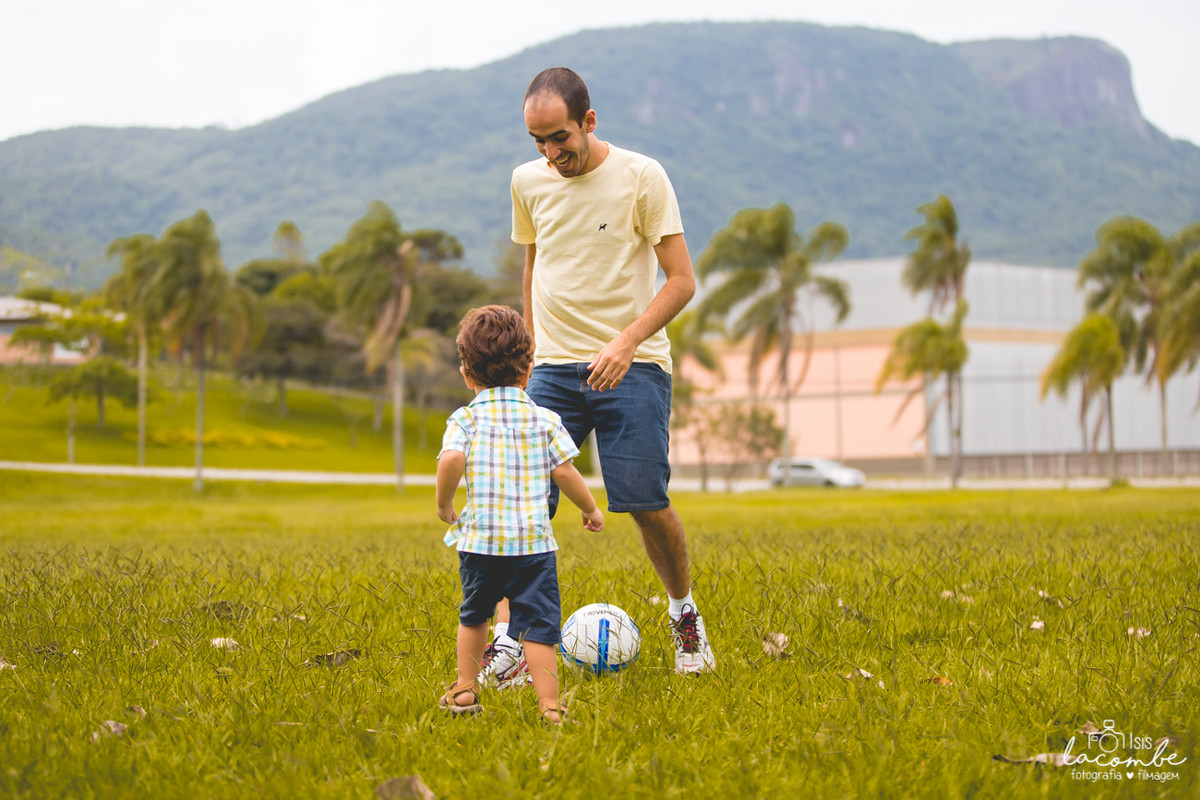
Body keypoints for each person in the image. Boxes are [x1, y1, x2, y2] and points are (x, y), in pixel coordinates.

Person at [480, 66, 716, 685]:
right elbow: (534, 265)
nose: (550, 154)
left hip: (633, 365)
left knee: (644, 500)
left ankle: (684, 618)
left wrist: (627, 340)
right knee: (521, 503)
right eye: (538, 141)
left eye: (560, 138)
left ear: (588, 121)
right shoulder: (527, 182)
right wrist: (527, 356)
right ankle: (510, 642)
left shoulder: (642, 176)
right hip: (552, 370)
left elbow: (683, 280)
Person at [436, 304, 604, 724]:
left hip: (480, 544)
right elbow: (565, 472)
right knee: (539, 627)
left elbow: (451, 459)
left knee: (474, 615)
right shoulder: (544, 419)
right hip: (532, 547)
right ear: (529, 369)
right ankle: (549, 705)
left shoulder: (466, 419)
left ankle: (465, 688)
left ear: (466, 374)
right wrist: (590, 508)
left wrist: (444, 503)